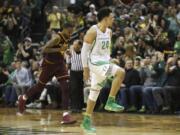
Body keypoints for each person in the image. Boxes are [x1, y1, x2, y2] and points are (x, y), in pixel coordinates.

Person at [17, 23, 76, 124]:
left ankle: (65, 115)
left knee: (65, 88)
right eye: (70, 31)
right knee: (39, 87)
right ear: (65, 29)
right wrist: (59, 49)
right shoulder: (57, 37)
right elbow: (44, 49)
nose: (71, 33)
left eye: (72, 31)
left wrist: (65, 51)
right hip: (49, 65)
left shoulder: (67, 37)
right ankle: (23, 98)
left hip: (60, 64)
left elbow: (61, 49)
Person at [81, 7, 125, 133]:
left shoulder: (109, 32)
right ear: (105, 19)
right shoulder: (93, 31)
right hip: (94, 63)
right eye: (112, 18)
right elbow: (84, 51)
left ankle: (86, 122)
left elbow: (105, 51)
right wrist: (85, 69)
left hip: (103, 62)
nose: (113, 19)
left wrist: (109, 60)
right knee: (121, 72)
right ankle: (110, 101)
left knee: (94, 92)